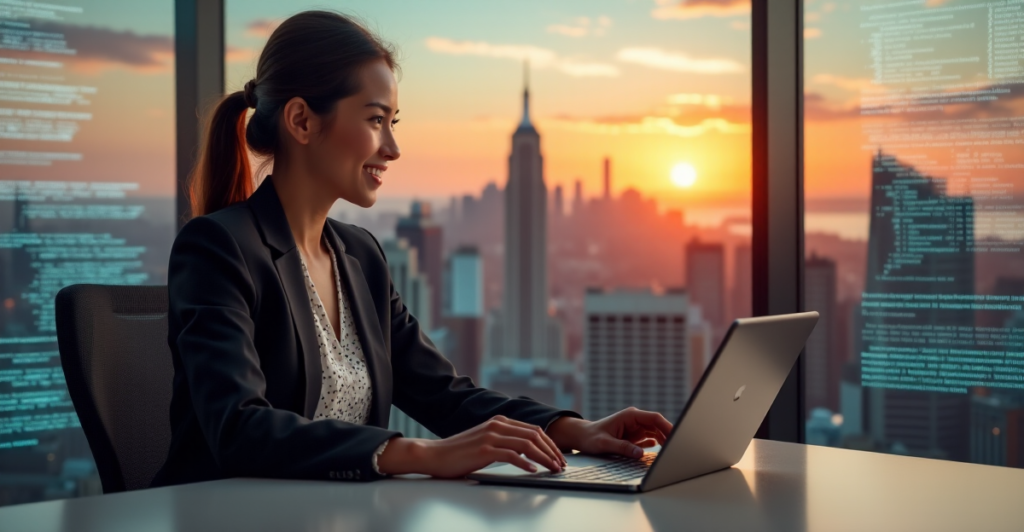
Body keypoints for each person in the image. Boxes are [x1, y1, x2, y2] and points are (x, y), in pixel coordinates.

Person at [152, 11, 672, 487]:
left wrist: (575, 430)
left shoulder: (361, 258)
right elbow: (239, 427)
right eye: (375, 120)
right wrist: (420, 453)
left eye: (392, 124)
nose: (393, 148)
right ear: (302, 121)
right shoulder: (219, 248)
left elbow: (444, 394)